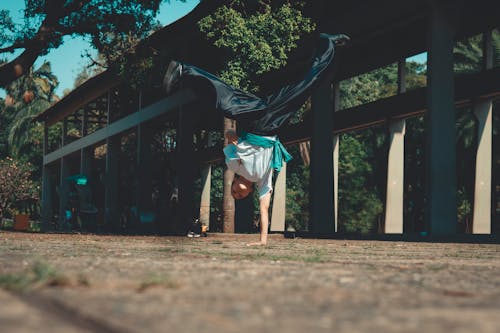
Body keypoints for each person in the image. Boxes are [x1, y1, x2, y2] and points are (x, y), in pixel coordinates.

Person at [164, 33, 349, 245]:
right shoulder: (263, 183)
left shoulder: (234, 165)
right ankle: (328, 43)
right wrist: (262, 241)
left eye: (234, 191)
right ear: (250, 191)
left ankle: (183, 70)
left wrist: (234, 138)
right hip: (271, 121)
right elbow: (264, 211)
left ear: (236, 182)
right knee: (306, 86)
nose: (237, 192)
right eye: (239, 195)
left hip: (256, 121)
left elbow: (229, 135)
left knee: (227, 103)